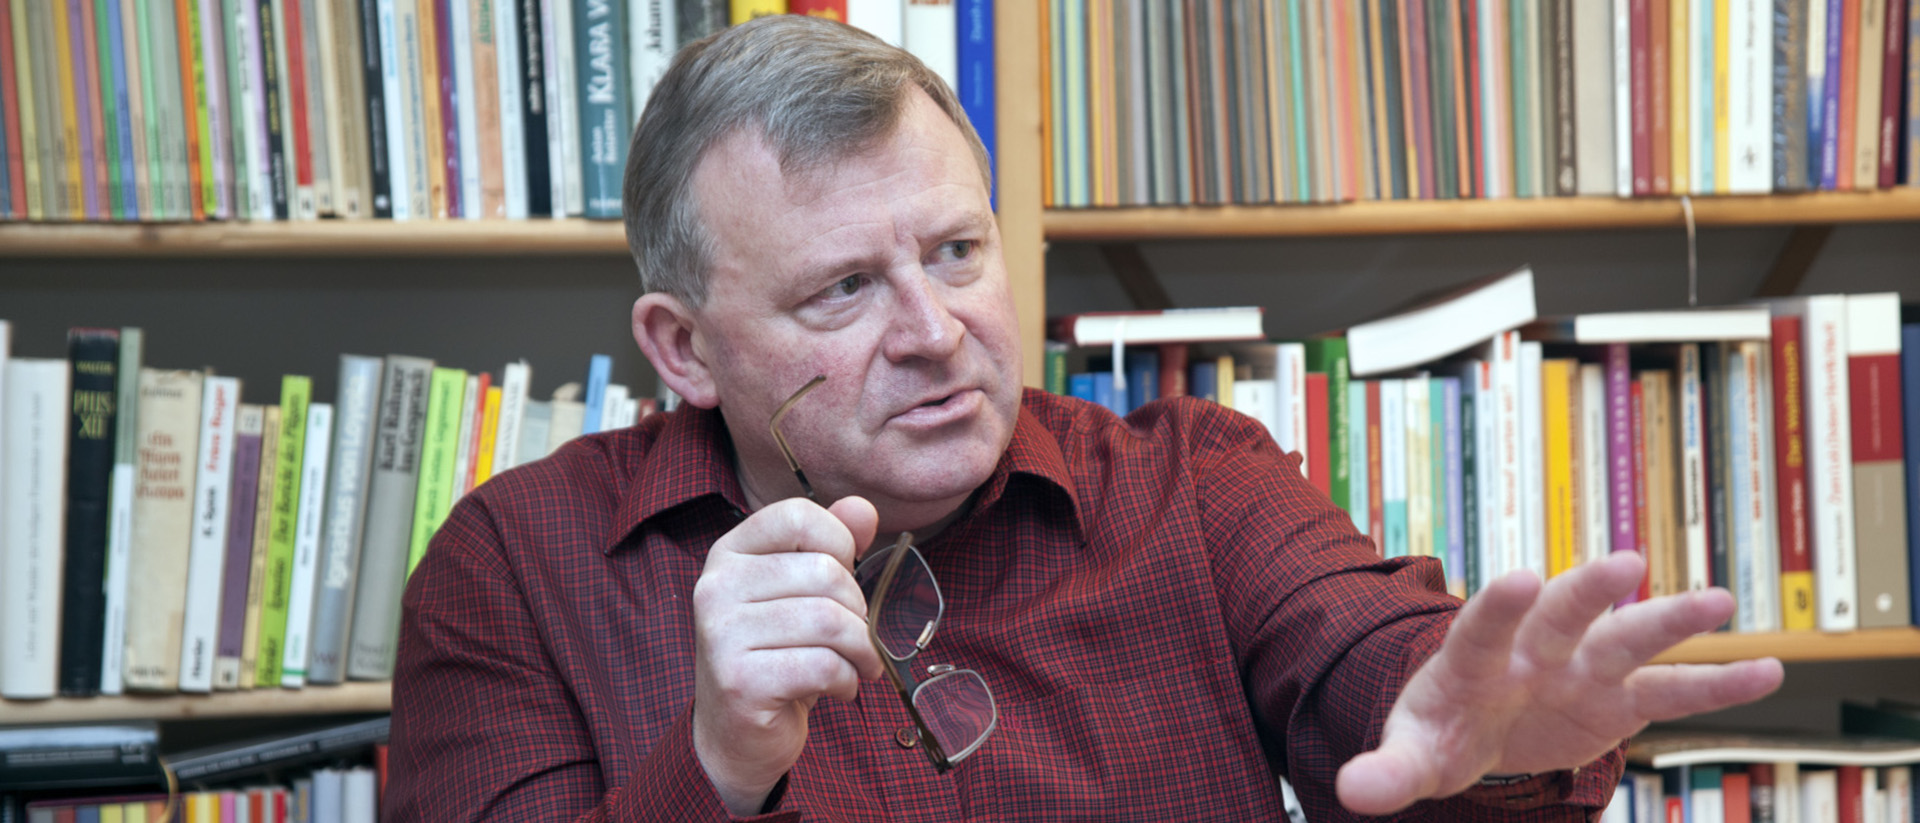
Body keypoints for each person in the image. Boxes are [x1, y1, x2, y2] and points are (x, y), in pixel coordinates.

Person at [386, 14, 1783, 821]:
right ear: (683, 350)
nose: (935, 334)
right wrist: (715, 768)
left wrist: (1484, 736)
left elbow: (1386, 670)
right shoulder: (513, 565)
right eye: (841, 291)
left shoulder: (1192, 483)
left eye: (956, 253)